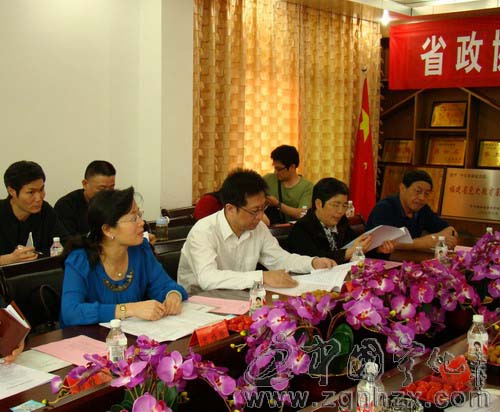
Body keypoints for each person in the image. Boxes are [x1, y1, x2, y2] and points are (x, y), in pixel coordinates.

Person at [177, 169, 336, 294]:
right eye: (254, 211)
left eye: (263, 208)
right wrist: (261, 277)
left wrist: (312, 263)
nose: (261, 217)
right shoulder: (203, 231)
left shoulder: (258, 228)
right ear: (230, 209)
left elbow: (279, 259)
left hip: (240, 297)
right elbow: (208, 279)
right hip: (199, 302)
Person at [60, 187, 187, 328]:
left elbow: (165, 285)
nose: (141, 222)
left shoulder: (140, 250)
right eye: (133, 218)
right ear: (108, 230)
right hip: (88, 337)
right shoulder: (79, 259)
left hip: (130, 334)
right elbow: (71, 312)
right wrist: (129, 309)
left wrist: (173, 295)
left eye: (139, 215)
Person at [288, 178, 394, 263]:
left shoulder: (341, 222)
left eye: (344, 206)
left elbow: (355, 246)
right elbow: (314, 260)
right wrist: (348, 253)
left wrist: (378, 250)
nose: (341, 211)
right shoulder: (302, 228)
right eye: (335, 205)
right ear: (318, 204)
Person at [366, 169, 458, 251]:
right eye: (418, 191)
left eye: (426, 194)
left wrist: (447, 238)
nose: (422, 198)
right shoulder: (385, 208)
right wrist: (428, 241)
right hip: (378, 261)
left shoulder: (422, 209)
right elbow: (386, 244)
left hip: (407, 259)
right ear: (402, 188)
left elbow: (450, 230)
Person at [0, 161, 68, 265]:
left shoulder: (45, 210)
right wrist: (8, 259)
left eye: (41, 190)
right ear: (11, 191)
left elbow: (65, 243)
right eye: (31, 192)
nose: (38, 198)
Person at [55, 160, 116, 236]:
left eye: (111, 187)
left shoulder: (117, 203)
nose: (107, 194)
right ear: (85, 184)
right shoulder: (66, 206)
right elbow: (69, 240)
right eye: (102, 189)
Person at [263, 145, 313, 223]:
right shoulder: (268, 179)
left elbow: (302, 213)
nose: (275, 172)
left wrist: (278, 204)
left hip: (293, 228)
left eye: (279, 169)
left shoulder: (307, 187)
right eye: (275, 168)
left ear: (292, 167)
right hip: (271, 227)